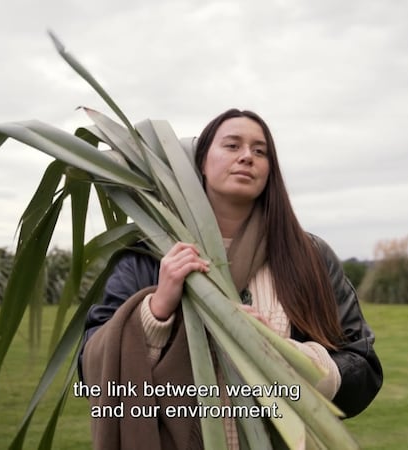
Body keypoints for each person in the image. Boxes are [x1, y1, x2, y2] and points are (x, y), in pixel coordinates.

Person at [80, 109, 383, 449]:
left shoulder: (309, 256)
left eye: (259, 151)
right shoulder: (150, 257)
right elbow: (90, 370)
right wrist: (156, 310)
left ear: (271, 171)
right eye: (232, 145)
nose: (246, 157)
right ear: (201, 163)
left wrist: (284, 355)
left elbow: (363, 370)